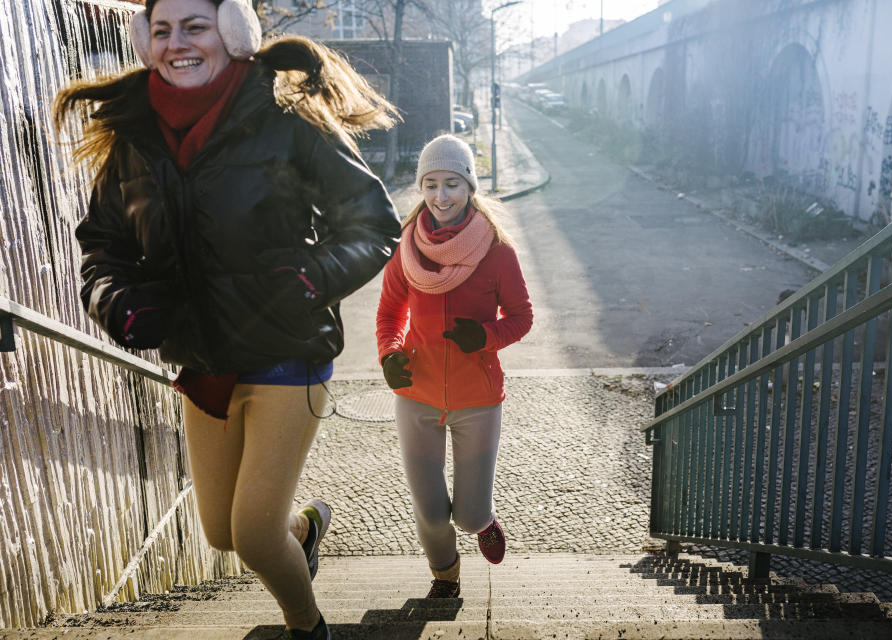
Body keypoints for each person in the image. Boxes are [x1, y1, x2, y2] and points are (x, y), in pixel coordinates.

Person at [54, 1, 401, 637]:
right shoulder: (134, 134)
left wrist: (310, 277)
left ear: (235, 33)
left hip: (287, 347)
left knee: (252, 532)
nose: (176, 43)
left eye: (195, 25)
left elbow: (373, 223)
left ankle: (307, 625)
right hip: (205, 359)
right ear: (144, 41)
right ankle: (307, 530)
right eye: (162, 30)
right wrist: (119, 304)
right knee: (220, 532)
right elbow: (101, 249)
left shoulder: (287, 117)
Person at [375, 135, 533, 598]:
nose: (441, 196)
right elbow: (389, 315)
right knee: (429, 512)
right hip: (416, 397)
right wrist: (390, 355)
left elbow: (521, 318)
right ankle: (445, 576)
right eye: (430, 185)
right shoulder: (406, 250)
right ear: (420, 188)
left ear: (469, 187)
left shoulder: (497, 253)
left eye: (451, 184)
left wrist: (485, 337)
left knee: (466, 515)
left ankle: (482, 522)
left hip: (477, 401)